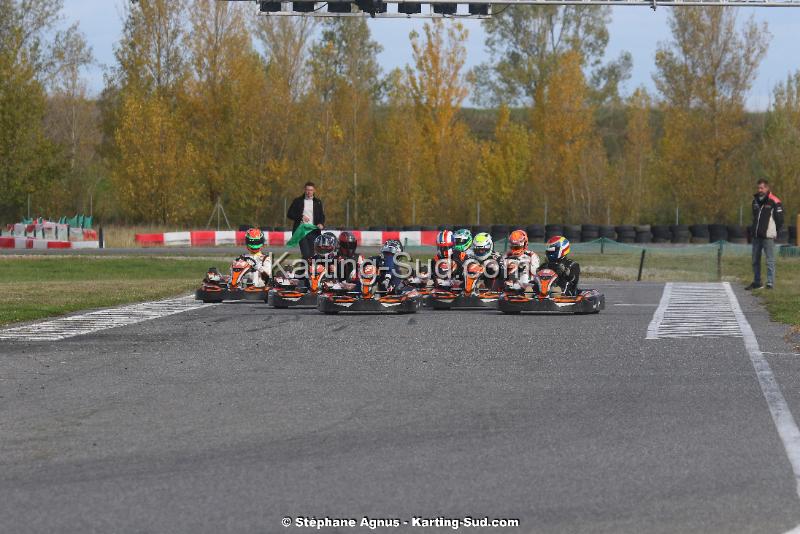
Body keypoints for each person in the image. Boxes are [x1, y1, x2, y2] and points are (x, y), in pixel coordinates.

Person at [747, 179, 784, 290]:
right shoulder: (755, 201)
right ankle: (757, 282)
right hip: (756, 236)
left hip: (768, 236)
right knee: (755, 260)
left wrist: (774, 231)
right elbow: (755, 218)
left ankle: (770, 283)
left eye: (762, 188)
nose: (759, 190)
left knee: (769, 260)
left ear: (767, 188)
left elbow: (780, 220)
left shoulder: (775, 201)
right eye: (758, 188)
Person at [287, 182, 325, 260]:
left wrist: (321, 223)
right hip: (301, 231)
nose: (309, 192)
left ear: (314, 190)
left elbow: (322, 215)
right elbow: (289, 214)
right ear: (304, 190)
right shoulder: (298, 201)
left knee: (312, 255)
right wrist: (301, 217)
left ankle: (305, 271)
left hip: (314, 231)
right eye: (307, 190)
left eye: (311, 190)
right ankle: (303, 271)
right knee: (306, 254)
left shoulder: (318, 202)